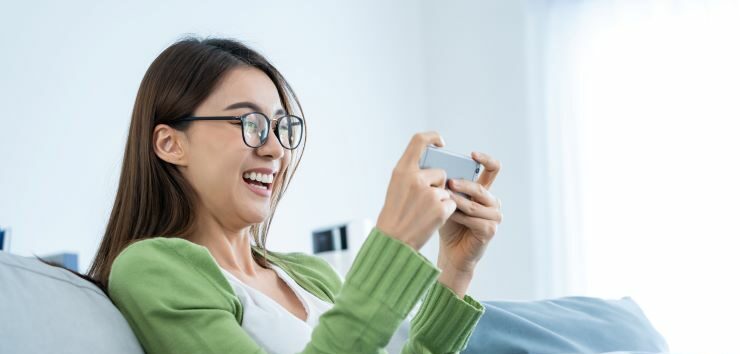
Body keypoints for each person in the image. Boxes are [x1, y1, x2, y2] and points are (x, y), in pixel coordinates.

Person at [86, 36, 503, 354]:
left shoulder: (310, 274)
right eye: (249, 123)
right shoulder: (150, 269)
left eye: (282, 127)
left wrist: (456, 268)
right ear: (170, 144)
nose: (275, 149)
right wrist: (394, 242)